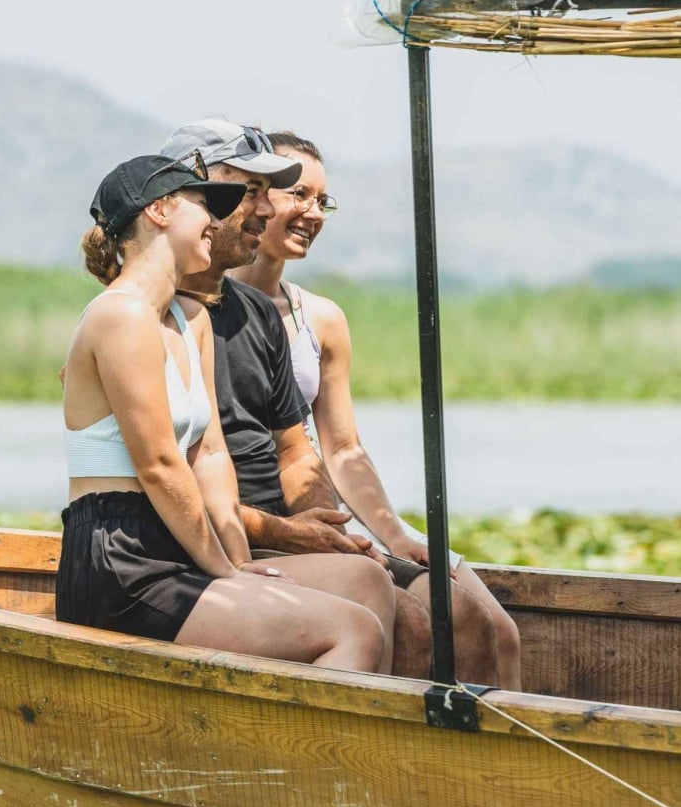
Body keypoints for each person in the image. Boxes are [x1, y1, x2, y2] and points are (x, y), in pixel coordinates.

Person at [161, 117, 503, 685]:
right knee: (404, 616)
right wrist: (284, 534)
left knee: (465, 617)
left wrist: (339, 530)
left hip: (280, 530)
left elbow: (303, 453)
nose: (271, 212)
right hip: (224, 539)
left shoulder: (260, 315)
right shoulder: (149, 316)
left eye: (321, 199)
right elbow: (177, 474)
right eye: (261, 195)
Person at [58, 153, 395, 672]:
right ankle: (307, 752)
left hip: (183, 544)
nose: (218, 222)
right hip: (121, 558)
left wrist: (238, 559)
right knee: (352, 631)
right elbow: (160, 466)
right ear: (161, 212)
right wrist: (227, 572)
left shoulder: (189, 317)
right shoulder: (120, 316)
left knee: (365, 580)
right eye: (203, 206)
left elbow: (210, 455)